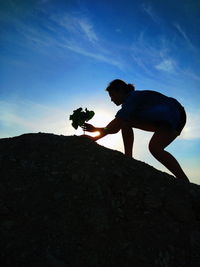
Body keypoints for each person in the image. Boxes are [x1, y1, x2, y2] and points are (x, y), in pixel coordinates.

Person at [82, 79, 189, 182]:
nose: (111, 99)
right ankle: (128, 157)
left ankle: (183, 180)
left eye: (112, 95)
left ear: (120, 90)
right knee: (127, 123)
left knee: (155, 147)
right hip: (166, 117)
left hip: (174, 113)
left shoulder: (132, 98)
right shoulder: (130, 103)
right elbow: (116, 127)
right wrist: (95, 130)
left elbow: (116, 124)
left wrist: (94, 138)